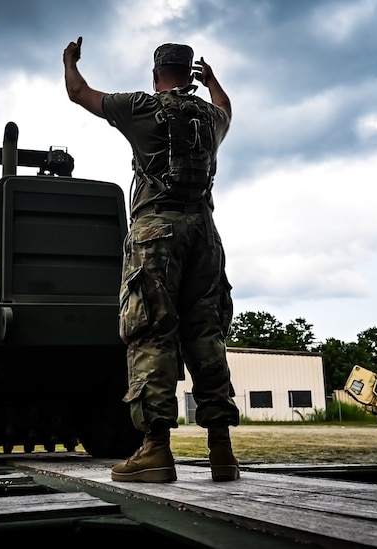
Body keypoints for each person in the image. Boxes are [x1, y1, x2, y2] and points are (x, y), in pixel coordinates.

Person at [63, 37, 241, 483]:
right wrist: (214, 82)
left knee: (152, 333)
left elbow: (79, 94)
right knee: (206, 335)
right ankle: (222, 450)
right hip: (205, 233)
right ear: (190, 74)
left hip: (156, 233)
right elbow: (227, 107)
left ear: (156, 72)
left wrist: (69, 62)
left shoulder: (139, 106)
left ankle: (156, 450)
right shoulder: (211, 116)